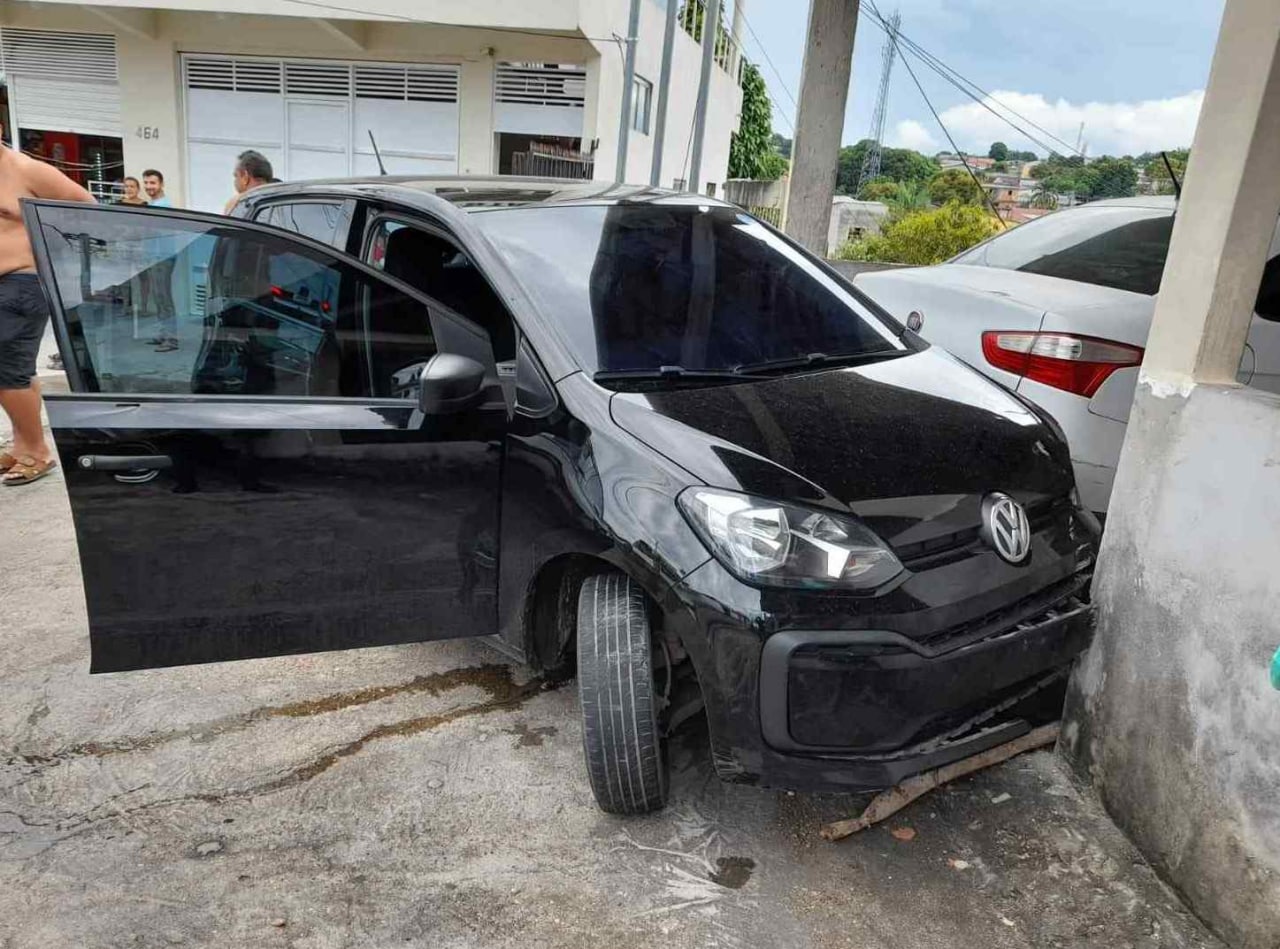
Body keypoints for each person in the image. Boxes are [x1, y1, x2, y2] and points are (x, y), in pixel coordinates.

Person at [0, 124, 95, 486]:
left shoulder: (27, 170)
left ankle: (37, 451)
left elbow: (85, 205)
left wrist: (53, 254)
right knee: (17, 370)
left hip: (21, 282)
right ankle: (23, 443)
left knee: (7, 373)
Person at [138, 169, 178, 351]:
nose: (149, 187)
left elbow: (161, 233)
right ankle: (163, 333)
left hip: (162, 257)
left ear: (161, 184)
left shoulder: (163, 205)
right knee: (158, 297)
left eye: (152, 183)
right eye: (146, 183)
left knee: (163, 297)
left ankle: (171, 339)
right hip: (154, 257)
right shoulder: (154, 204)